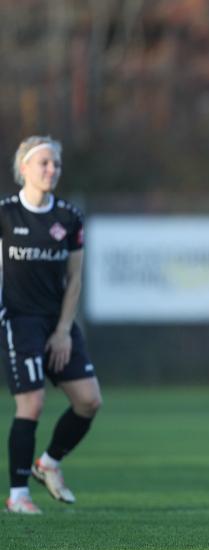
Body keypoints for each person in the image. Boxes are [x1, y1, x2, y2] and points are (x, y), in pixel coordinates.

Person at [2, 136, 102, 514]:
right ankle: (18, 495)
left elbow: (75, 279)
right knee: (32, 403)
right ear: (23, 167)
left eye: (55, 164)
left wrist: (63, 330)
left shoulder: (68, 217)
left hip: (57, 322)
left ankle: (48, 464)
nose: (51, 170)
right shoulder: (7, 214)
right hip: (19, 320)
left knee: (89, 401)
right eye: (43, 163)